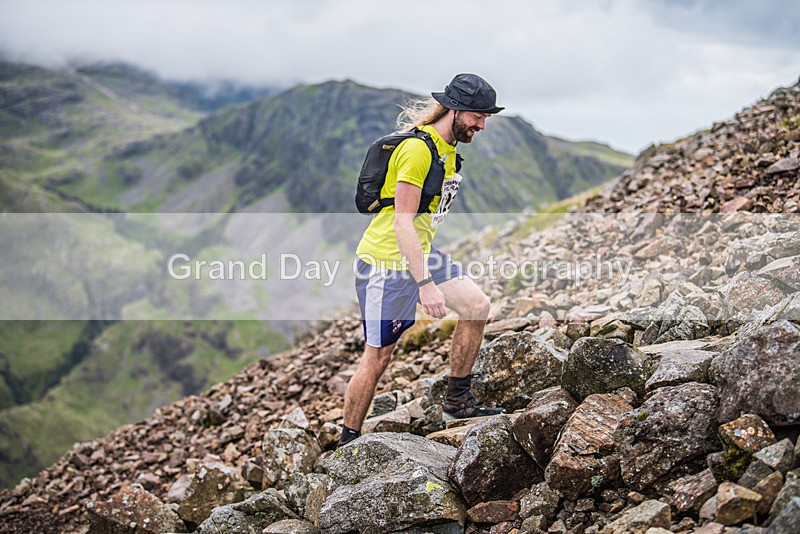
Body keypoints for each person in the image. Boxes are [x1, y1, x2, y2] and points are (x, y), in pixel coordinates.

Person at [339, 73, 505, 448]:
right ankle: (347, 441)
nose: (482, 124)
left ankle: (457, 401)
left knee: (476, 306)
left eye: (486, 117)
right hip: (386, 262)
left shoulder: (447, 149)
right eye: (478, 116)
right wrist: (425, 284)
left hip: (421, 253)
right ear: (457, 110)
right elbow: (401, 222)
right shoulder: (417, 151)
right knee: (379, 357)